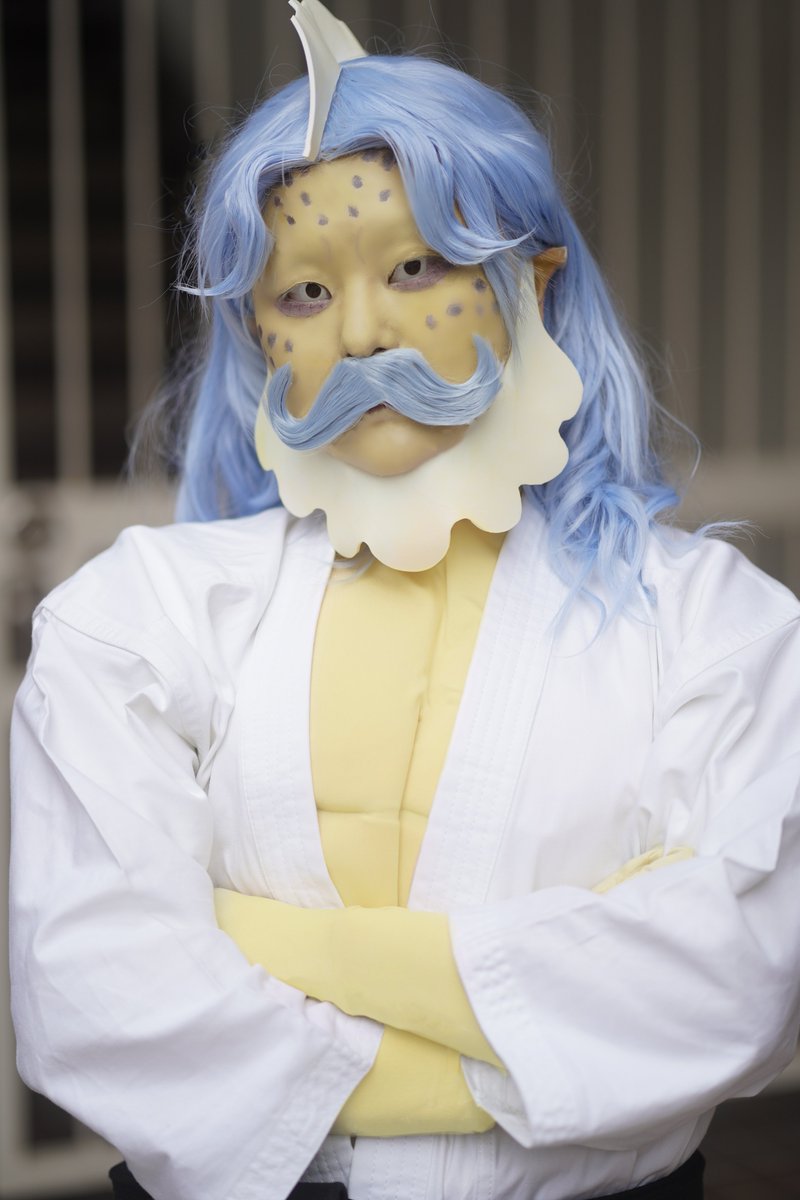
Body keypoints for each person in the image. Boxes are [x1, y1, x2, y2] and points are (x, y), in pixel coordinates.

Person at [10, 5, 800, 1199]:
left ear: (530, 282)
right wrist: (560, 1029)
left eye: (415, 268)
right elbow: (97, 1000)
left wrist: (268, 946)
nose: (363, 331)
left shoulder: (713, 629)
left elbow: (734, 983)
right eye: (303, 293)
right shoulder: (137, 620)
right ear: (253, 331)